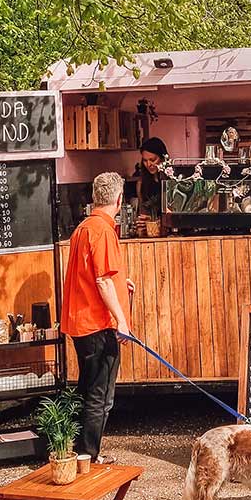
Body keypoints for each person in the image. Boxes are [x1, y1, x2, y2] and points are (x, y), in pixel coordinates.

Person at [61, 171, 133, 461]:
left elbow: (93, 276)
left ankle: (83, 454)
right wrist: (122, 321)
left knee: (90, 389)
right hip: (97, 324)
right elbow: (102, 280)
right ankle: (88, 456)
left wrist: (121, 283)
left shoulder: (83, 228)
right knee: (100, 396)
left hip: (81, 322)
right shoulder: (103, 230)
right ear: (119, 199)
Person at [132, 136, 168, 221]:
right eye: (145, 160)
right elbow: (142, 214)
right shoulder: (141, 183)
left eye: (153, 160)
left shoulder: (171, 181)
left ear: (163, 158)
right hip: (150, 230)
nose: (148, 164)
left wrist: (155, 220)